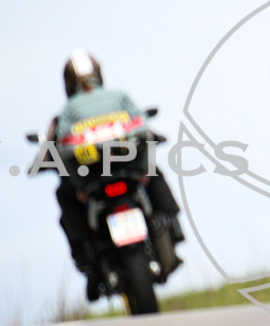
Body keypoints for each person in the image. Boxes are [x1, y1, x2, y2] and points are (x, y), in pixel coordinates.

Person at [48, 49, 184, 301]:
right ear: (98, 75)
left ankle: (86, 260)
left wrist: (80, 187)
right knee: (156, 174)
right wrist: (144, 169)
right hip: (129, 171)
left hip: (93, 181)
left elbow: (63, 152)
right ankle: (173, 228)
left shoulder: (68, 111)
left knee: (64, 194)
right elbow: (144, 131)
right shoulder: (119, 96)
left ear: (68, 83)